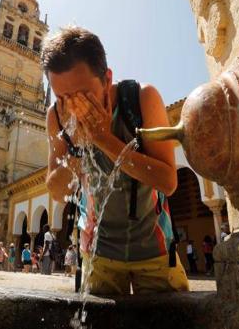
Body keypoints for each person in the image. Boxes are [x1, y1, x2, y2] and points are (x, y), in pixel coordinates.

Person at [43, 26, 189, 295]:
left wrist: (103, 139)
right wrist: (77, 147)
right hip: (98, 255)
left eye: (83, 94)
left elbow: (167, 182)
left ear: (107, 78)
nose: (75, 107)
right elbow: (56, 190)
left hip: (154, 251)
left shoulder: (142, 98)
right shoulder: (57, 117)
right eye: (64, 97)